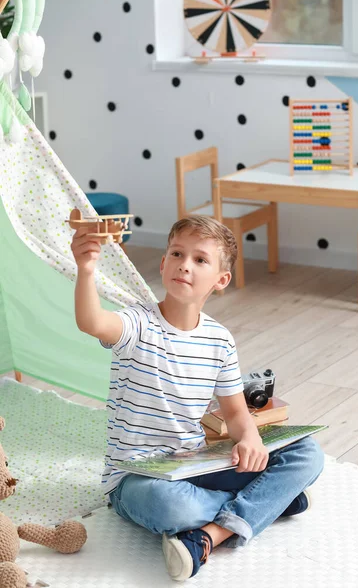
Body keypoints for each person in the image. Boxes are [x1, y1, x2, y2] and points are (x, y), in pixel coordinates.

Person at [71, 214, 324, 581]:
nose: (184, 265)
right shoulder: (137, 324)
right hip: (136, 479)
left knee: (307, 453)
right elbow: (92, 321)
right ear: (163, 263)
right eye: (176, 254)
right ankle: (269, 502)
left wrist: (251, 439)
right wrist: (86, 270)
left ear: (221, 280)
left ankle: (212, 534)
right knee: (169, 506)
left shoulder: (220, 340)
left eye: (200, 259)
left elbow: (236, 413)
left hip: (197, 466)